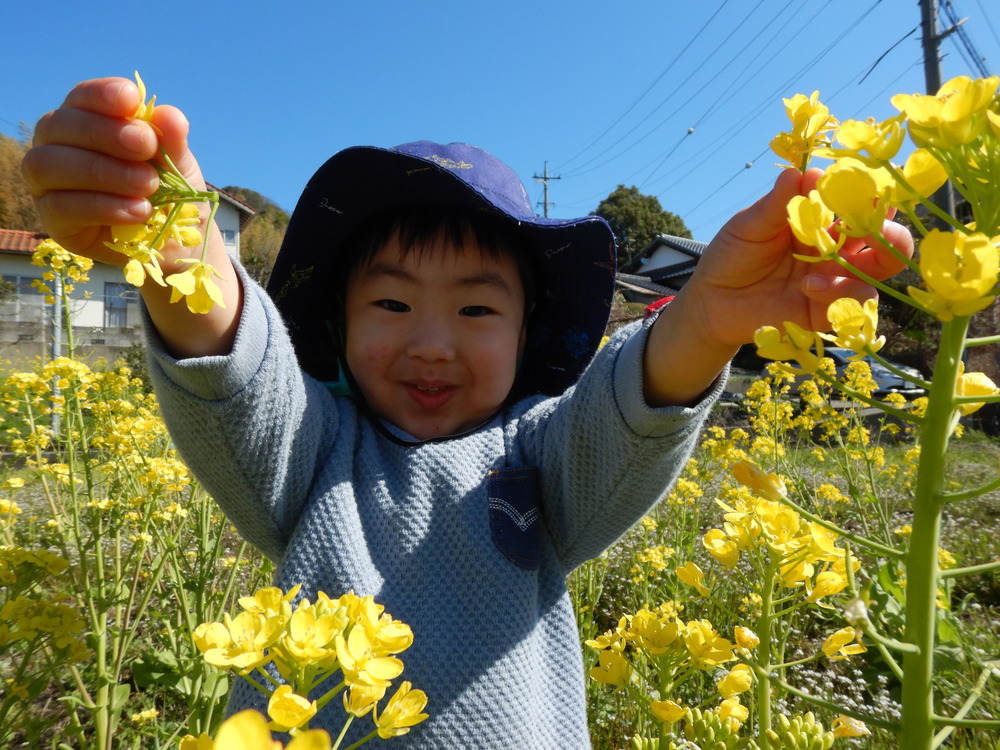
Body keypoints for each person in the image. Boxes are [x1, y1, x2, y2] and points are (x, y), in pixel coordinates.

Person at [22, 77, 913, 748]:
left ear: (530, 338)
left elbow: (621, 416)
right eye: (393, 306)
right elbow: (242, 387)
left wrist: (708, 321)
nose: (434, 344)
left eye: (478, 310)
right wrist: (187, 264)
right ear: (336, 325)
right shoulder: (310, 456)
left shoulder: (542, 458)